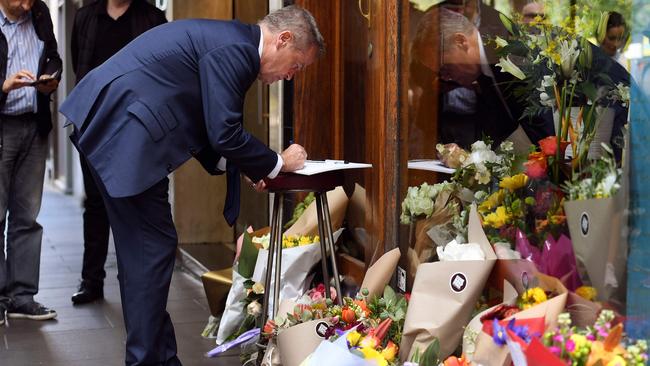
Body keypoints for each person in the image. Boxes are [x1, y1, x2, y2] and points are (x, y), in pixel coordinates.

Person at [59, 5, 322, 365]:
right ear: (283, 39)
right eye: (297, 65)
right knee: (150, 251)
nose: (291, 76)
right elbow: (224, 131)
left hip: (123, 129)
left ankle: (159, 358)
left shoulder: (231, 42)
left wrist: (248, 166)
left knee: (148, 252)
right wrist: (277, 163)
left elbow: (205, 123)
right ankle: (146, 359)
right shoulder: (237, 50)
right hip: (125, 133)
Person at [69, 0, 167, 305]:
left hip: (138, 129)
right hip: (95, 124)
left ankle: (133, 280)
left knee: (135, 205)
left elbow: (164, 70)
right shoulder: (86, 17)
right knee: (96, 203)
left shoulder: (152, 17)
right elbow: (78, 65)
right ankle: (91, 281)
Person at [0, 0, 61, 325]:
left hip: (34, 125)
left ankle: (23, 297)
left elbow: (53, 55)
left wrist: (51, 76)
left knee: (27, 217)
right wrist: (5, 87)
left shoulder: (39, 13)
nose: (26, 4)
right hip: (2, 128)